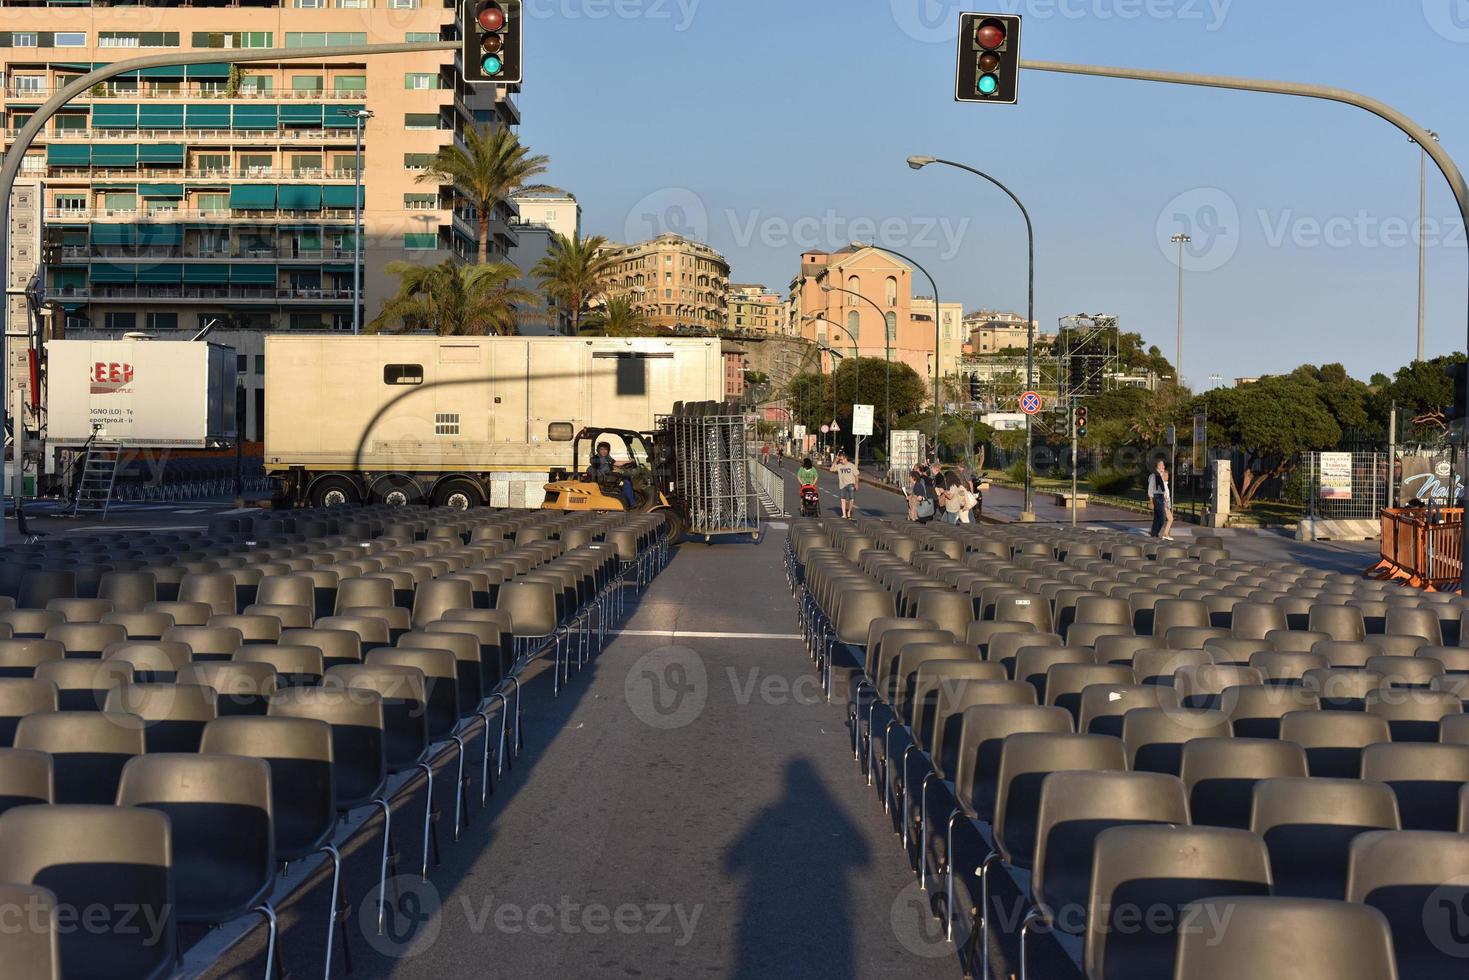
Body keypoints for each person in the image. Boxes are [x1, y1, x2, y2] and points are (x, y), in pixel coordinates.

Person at [830, 450, 859, 519]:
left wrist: (857, 484)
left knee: (851, 499)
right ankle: (844, 514)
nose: (840, 461)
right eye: (840, 460)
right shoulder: (839, 466)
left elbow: (856, 475)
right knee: (843, 499)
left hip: (851, 483)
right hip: (842, 485)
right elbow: (831, 469)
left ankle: (849, 511)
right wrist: (835, 461)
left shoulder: (852, 466)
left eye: (841, 460)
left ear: (845, 459)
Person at [1148, 458, 1173, 539]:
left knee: (1157, 517)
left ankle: (1154, 533)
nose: (1163, 466)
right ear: (1158, 466)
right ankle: (1156, 532)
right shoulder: (1153, 476)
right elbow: (1150, 489)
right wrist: (1151, 501)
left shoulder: (1161, 475)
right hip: (1156, 496)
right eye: (1162, 465)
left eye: (1163, 465)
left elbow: (1165, 486)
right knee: (1161, 517)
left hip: (1161, 496)